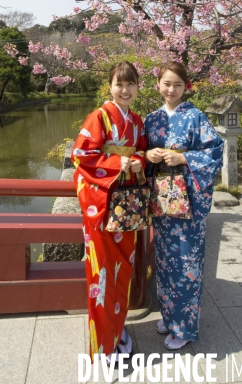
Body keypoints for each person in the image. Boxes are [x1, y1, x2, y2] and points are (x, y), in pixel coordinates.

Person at [145, 61, 224, 350]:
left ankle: (186, 328)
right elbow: (140, 152)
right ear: (158, 85)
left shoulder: (196, 117)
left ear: (186, 87)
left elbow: (215, 152)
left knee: (186, 262)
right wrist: (147, 154)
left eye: (178, 84)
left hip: (188, 203)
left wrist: (185, 158)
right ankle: (170, 316)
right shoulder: (151, 119)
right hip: (162, 201)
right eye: (166, 83)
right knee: (165, 260)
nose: (171, 89)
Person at [72, 61, 147, 363]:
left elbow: (142, 149)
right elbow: (81, 155)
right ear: (110, 87)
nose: (125, 90)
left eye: (131, 84)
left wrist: (140, 158)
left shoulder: (137, 122)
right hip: (102, 209)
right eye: (119, 84)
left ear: (138, 86)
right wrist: (119, 163)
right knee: (102, 275)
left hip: (125, 208)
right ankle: (102, 346)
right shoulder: (99, 117)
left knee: (123, 271)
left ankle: (118, 328)